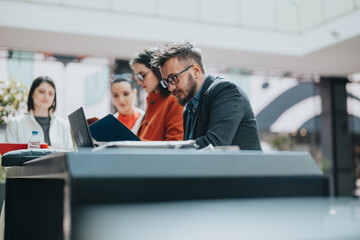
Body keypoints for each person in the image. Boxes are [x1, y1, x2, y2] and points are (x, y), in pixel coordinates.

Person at [151, 42, 262, 150]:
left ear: (195, 71)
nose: (170, 88)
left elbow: (214, 145)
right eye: (166, 82)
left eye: (174, 78)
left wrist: (168, 150)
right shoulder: (189, 107)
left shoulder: (227, 91)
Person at [5, 76, 74, 150]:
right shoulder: (15, 124)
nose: (46, 97)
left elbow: (70, 157)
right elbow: (9, 158)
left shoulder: (64, 125)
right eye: (42, 92)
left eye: (51, 94)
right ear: (32, 94)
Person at [130, 49, 184, 141]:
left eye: (142, 75)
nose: (139, 82)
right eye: (137, 77)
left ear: (157, 70)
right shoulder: (152, 101)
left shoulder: (174, 100)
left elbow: (175, 144)